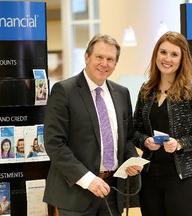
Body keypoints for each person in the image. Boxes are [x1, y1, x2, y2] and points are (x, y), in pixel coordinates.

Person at [43, 34, 142, 216]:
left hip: (111, 192)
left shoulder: (122, 93)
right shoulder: (64, 91)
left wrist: (132, 158)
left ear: (115, 64)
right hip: (75, 193)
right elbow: (54, 144)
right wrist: (89, 180)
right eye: (99, 57)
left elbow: (126, 138)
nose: (104, 63)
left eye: (110, 59)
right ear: (87, 57)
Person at [132, 31, 192, 216]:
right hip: (149, 177)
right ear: (156, 55)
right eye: (163, 52)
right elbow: (135, 131)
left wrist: (180, 143)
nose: (167, 59)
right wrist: (145, 141)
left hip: (181, 178)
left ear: (182, 59)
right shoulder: (146, 91)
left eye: (174, 54)